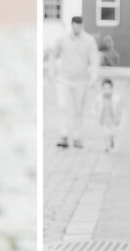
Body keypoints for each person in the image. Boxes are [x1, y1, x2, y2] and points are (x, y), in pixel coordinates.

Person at [52, 15, 99, 149]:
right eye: (75, 25)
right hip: (63, 79)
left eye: (79, 26)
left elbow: (94, 59)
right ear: (72, 25)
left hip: (81, 80)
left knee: (78, 110)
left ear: (82, 26)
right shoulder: (63, 39)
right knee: (63, 107)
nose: (77, 28)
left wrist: (93, 77)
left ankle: (77, 137)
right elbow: (54, 55)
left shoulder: (89, 40)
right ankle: (64, 135)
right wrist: (52, 72)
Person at [93, 77, 123, 152]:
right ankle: (107, 146)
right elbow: (94, 108)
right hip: (104, 118)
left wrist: (118, 119)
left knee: (112, 132)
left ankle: (111, 139)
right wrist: (97, 115)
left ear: (112, 88)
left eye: (108, 88)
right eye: (105, 88)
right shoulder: (99, 98)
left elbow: (119, 110)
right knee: (105, 133)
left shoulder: (116, 98)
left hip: (112, 118)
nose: (107, 90)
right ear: (102, 88)